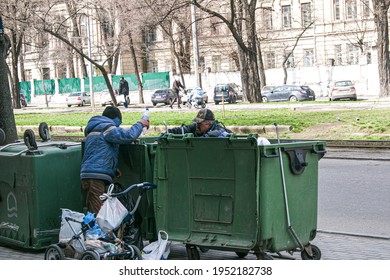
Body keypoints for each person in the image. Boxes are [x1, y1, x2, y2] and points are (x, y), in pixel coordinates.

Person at [80, 106, 149, 214]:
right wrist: (140, 124)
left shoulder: (93, 128)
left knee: (95, 209)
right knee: (97, 214)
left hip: (89, 173)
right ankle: (96, 231)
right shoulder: (107, 128)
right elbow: (128, 136)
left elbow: (97, 152)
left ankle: (97, 229)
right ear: (116, 119)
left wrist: (112, 167)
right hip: (96, 177)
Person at [167, 108, 232, 137]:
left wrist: (203, 138)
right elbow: (183, 129)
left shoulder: (219, 130)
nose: (197, 125)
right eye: (197, 122)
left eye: (200, 123)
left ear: (209, 124)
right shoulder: (195, 127)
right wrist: (168, 132)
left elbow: (218, 133)